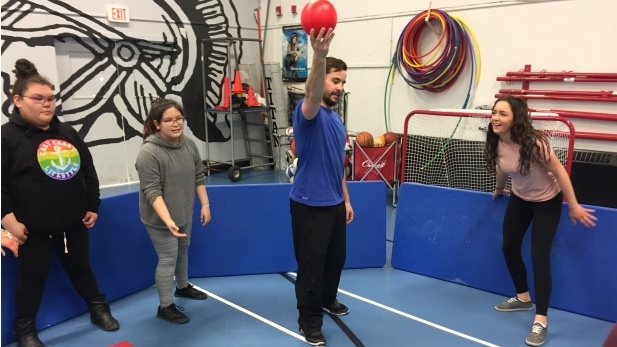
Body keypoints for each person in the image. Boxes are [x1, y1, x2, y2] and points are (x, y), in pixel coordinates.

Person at [1, 58, 119, 347]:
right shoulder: (5, 137)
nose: (47, 104)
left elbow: (87, 170)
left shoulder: (68, 132)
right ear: (17, 100)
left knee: (82, 268)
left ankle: (97, 308)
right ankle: (24, 330)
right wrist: (7, 218)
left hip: (73, 224)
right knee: (32, 279)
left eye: (51, 98)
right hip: (32, 230)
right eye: (38, 99)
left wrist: (93, 204)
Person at [485, 95, 597, 346]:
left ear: (516, 119)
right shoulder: (497, 140)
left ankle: (541, 320)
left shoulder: (534, 144)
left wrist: (574, 205)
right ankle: (523, 297)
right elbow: (503, 166)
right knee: (509, 247)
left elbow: (559, 171)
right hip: (520, 197)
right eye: (494, 112)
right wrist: (499, 188)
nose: (496, 117)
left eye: (503, 114)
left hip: (547, 201)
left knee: (539, 256)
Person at [289, 28, 354, 347]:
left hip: (332, 203)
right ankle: (310, 321)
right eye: (334, 80)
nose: (340, 87)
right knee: (312, 267)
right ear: (321, 81)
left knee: (335, 260)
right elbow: (312, 94)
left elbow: (337, 164)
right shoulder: (309, 114)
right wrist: (319, 55)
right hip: (308, 205)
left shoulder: (336, 120)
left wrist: (346, 199)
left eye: (343, 82)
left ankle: (328, 299)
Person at [135, 98, 211, 325]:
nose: (176, 123)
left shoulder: (188, 144)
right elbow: (152, 191)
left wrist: (205, 205)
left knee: (183, 251)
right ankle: (165, 306)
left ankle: (183, 286)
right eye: (168, 120)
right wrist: (168, 220)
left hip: (184, 212)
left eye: (179, 118)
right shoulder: (149, 153)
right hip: (160, 220)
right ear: (157, 124)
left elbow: (199, 176)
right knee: (167, 258)